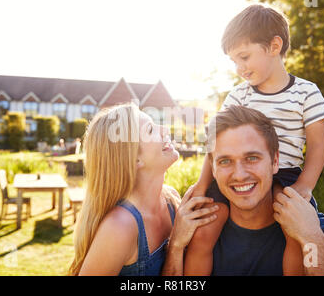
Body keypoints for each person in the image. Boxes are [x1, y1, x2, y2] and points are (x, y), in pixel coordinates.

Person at [185, 4, 324, 275]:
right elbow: (213, 142)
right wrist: (203, 182)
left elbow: (317, 145)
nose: (240, 68)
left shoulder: (306, 93)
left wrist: (305, 186)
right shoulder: (240, 95)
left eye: (244, 57)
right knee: (204, 231)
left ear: (274, 46)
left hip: (287, 175)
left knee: (295, 236)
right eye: (234, 62)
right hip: (240, 168)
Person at [196, 105, 324, 275]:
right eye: (225, 161)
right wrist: (176, 246)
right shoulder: (201, 232)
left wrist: (311, 238)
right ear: (213, 169)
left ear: (275, 161)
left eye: (252, 158)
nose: (240, 175)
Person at [68, 103, 218, 276]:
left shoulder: (171, 199)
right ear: (134, 160)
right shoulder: (120, 227)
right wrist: (175, 245)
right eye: (150, 130)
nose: (165, 130)